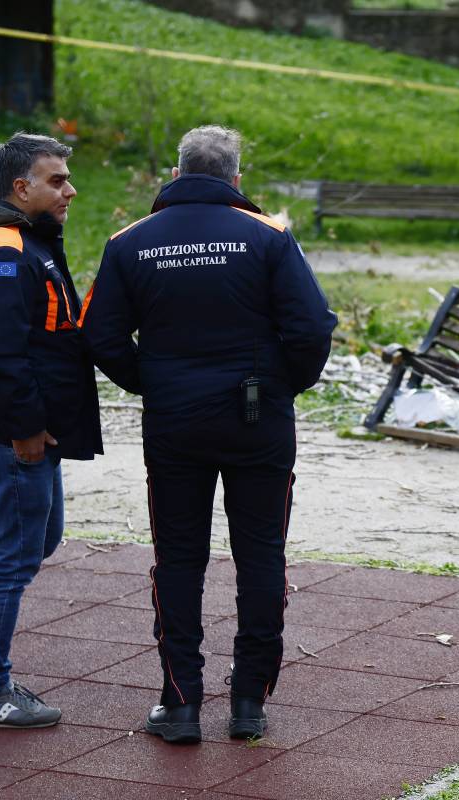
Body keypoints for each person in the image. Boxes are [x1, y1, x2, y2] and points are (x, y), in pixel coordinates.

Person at [82, 125, 337, 744]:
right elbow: (312, 329)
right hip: (258, 420)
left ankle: (180, 703)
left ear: (175, 175)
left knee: (178, 558)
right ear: (236, 180)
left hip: (174, 423)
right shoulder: (270, 236)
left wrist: (152, 382)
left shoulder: (129, 243)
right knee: (260, 557)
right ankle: (249, 700)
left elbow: (99, 335)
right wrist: (281, 384)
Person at [0, 132, 102, 728]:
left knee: (38, 541)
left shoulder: (27, 242)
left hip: (23, 436)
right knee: (11, 557)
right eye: (56, 180)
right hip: (9, 440)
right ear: (21, 187)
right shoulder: (5, 251)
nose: (70, 189)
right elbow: (0, 354)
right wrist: (26, 429)